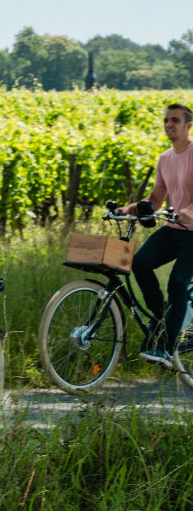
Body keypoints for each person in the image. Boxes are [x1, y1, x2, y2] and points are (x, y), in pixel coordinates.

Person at [117, 103, 193, 367]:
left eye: (175, 120)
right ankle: (161, 319)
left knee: (177, 282)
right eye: (166, 120)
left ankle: (165, 347)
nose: (169, 125)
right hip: (174, 229)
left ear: (188, 126)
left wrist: (190, 209)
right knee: (138, 262)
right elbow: (156, 199)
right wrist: (126, 210)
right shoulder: (165, 158)